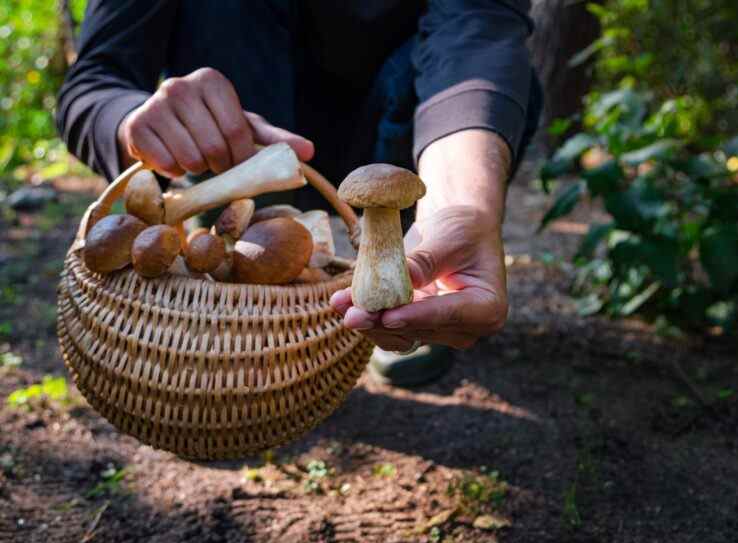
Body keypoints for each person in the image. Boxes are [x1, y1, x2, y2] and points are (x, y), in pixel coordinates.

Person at [57, 1, 541, 384]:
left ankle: (410, 282)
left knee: (508, 79)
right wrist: (135, 123)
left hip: (391, 130)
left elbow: (477, 34)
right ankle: (240, 298)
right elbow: (95, 82)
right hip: (235, 151)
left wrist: (460, 204)